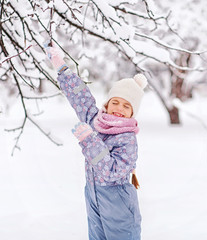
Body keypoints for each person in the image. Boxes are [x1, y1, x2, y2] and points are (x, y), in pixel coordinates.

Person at [45, 44, 147, 240]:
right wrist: (61, 66)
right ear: (107, 104)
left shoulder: (127, 139)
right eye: (115, 102)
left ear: (132, 112)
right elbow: (80, 97)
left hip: (119, 204)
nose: (119, 108)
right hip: (93, 196)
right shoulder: (96, 122)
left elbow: (110, 172)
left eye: (126, 106)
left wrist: (89, 141)